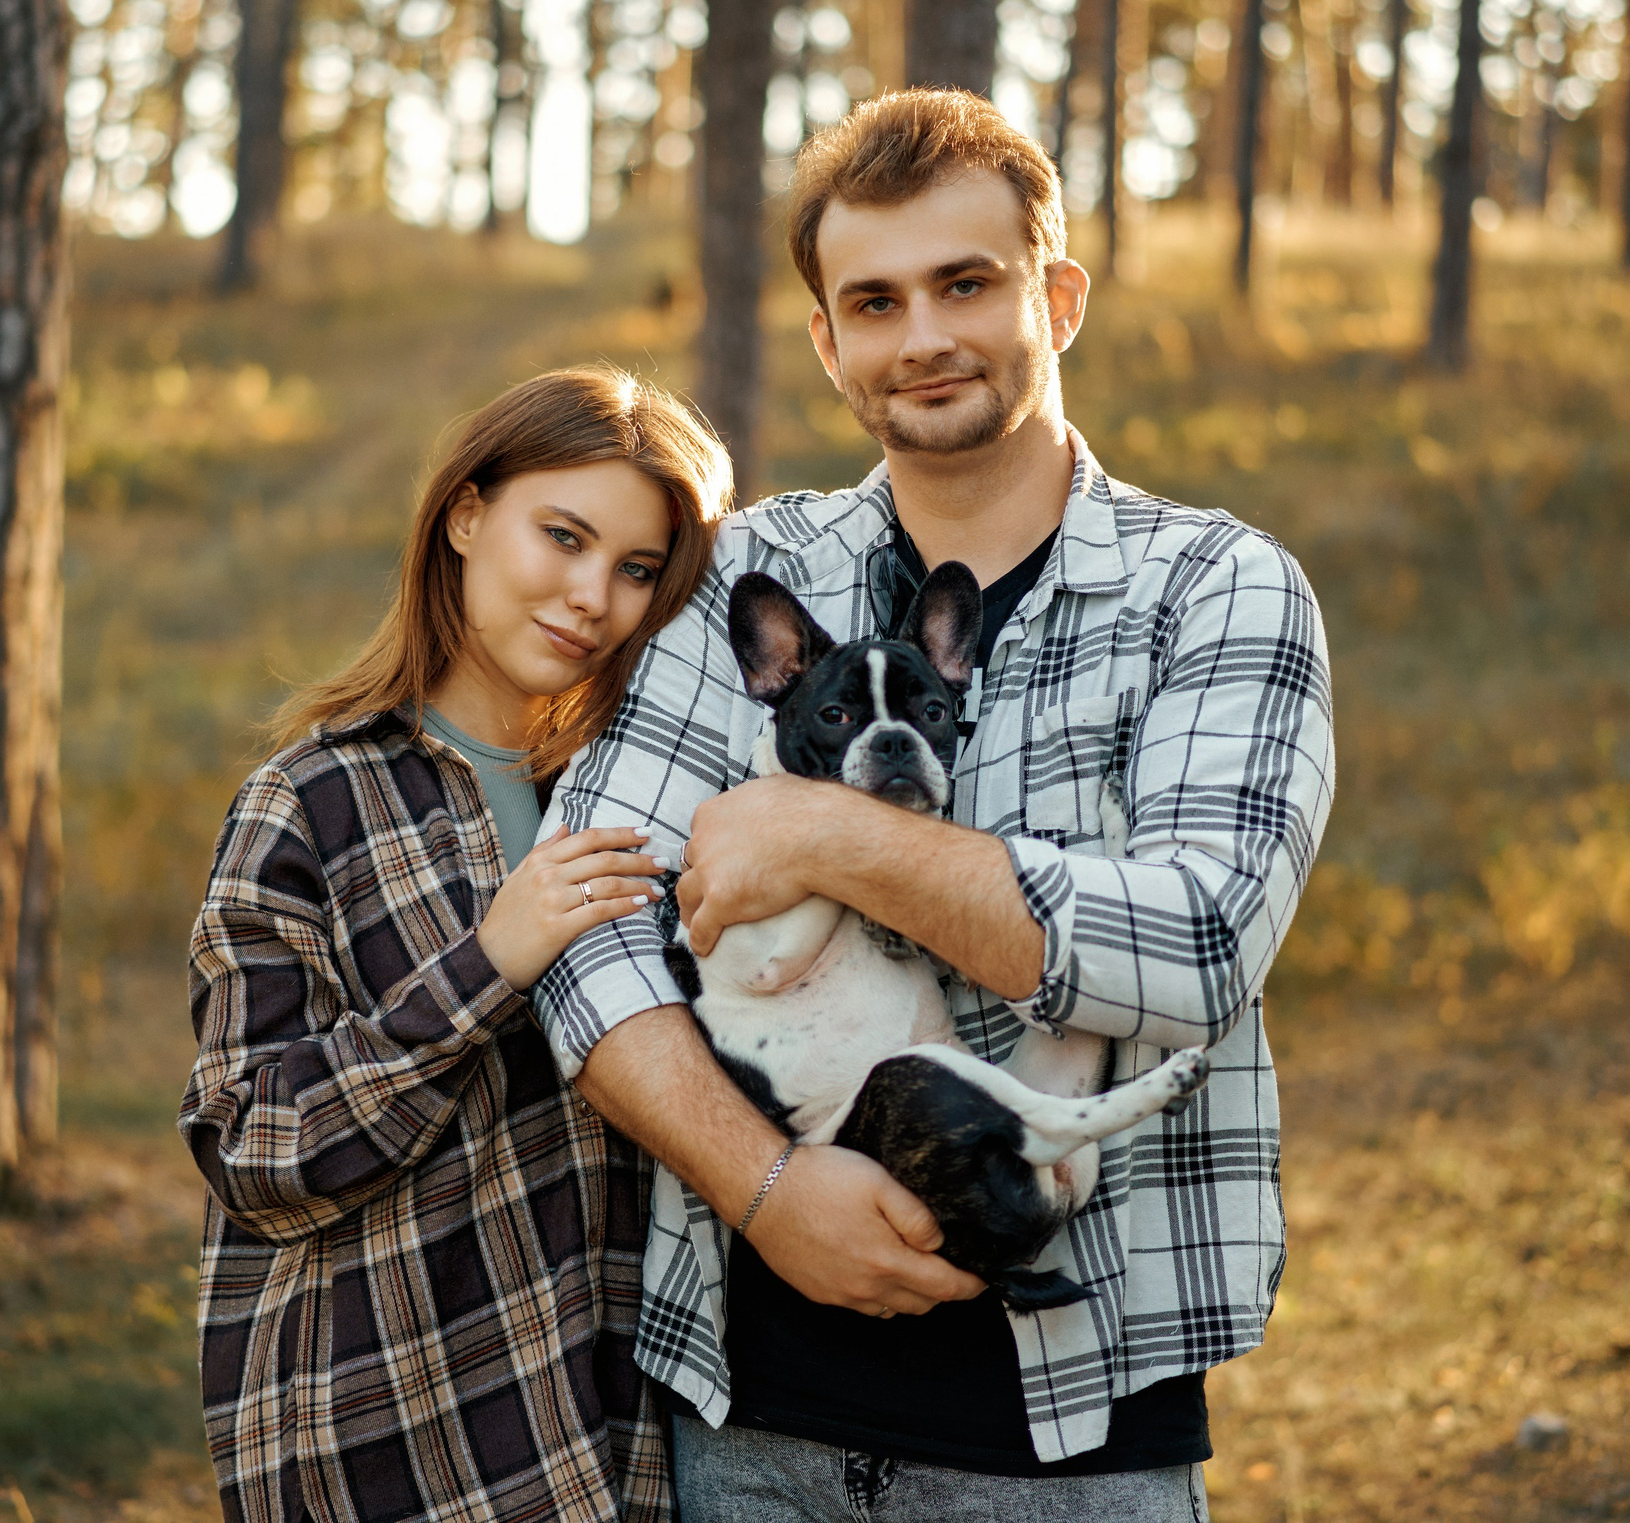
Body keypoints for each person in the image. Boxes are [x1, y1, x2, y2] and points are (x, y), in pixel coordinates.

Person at [533, 91, 1336, 1519]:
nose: (925, 337)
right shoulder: (744, 575)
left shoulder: (1213, 587)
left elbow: (1200, 944)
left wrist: (824, 829)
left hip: (1077, 1440)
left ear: (1059, 296)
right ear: (831, 339)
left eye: (968, 283)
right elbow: (582, 936)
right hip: (747, 1429)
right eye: (876, 300)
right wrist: (767, 1187)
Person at [178, 367, 732, 1523]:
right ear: (466, 515)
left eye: (636, 570)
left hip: (620, 1426)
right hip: (391, 1429)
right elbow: (250, 1148)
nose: (592, 596)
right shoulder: (312, 802)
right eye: (563, 536)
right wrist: (488, 963)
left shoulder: (643, 803)